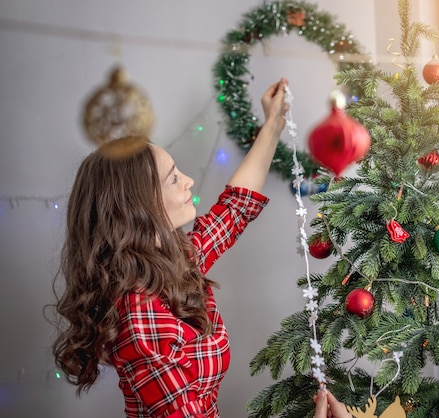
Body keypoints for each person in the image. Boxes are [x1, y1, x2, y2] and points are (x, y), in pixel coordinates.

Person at [51, 78, 289, 418]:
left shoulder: (174, 261)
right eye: (174, 178)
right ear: (141, 207)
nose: (189, 180)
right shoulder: (142, 315)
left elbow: (235, 209)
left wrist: (273, 124)